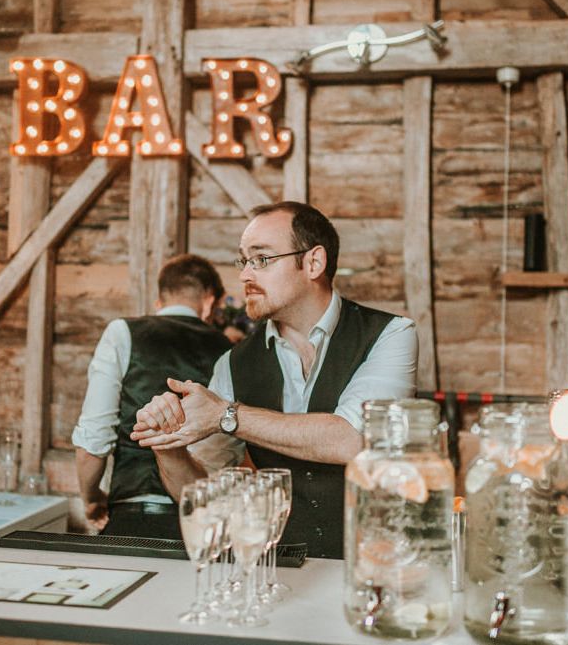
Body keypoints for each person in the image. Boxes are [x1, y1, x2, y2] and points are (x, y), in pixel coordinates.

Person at [131, 202, 418, 557]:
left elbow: (354, 440)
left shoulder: (391, 334)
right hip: (279, 569)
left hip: (377, 564)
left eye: (262, 259)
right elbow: (201, 492)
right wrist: (169, 446)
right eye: (244, 261)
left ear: (314, 262)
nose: (245, 275)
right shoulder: (232, 364)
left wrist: (227, 415)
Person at [72, 254, 234, 539]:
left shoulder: (122, 333)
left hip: (129, 512)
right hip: (200, 522)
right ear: (210, 300)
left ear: (160, 300)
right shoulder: (230, 350)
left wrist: (92, 499)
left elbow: (93, 442)